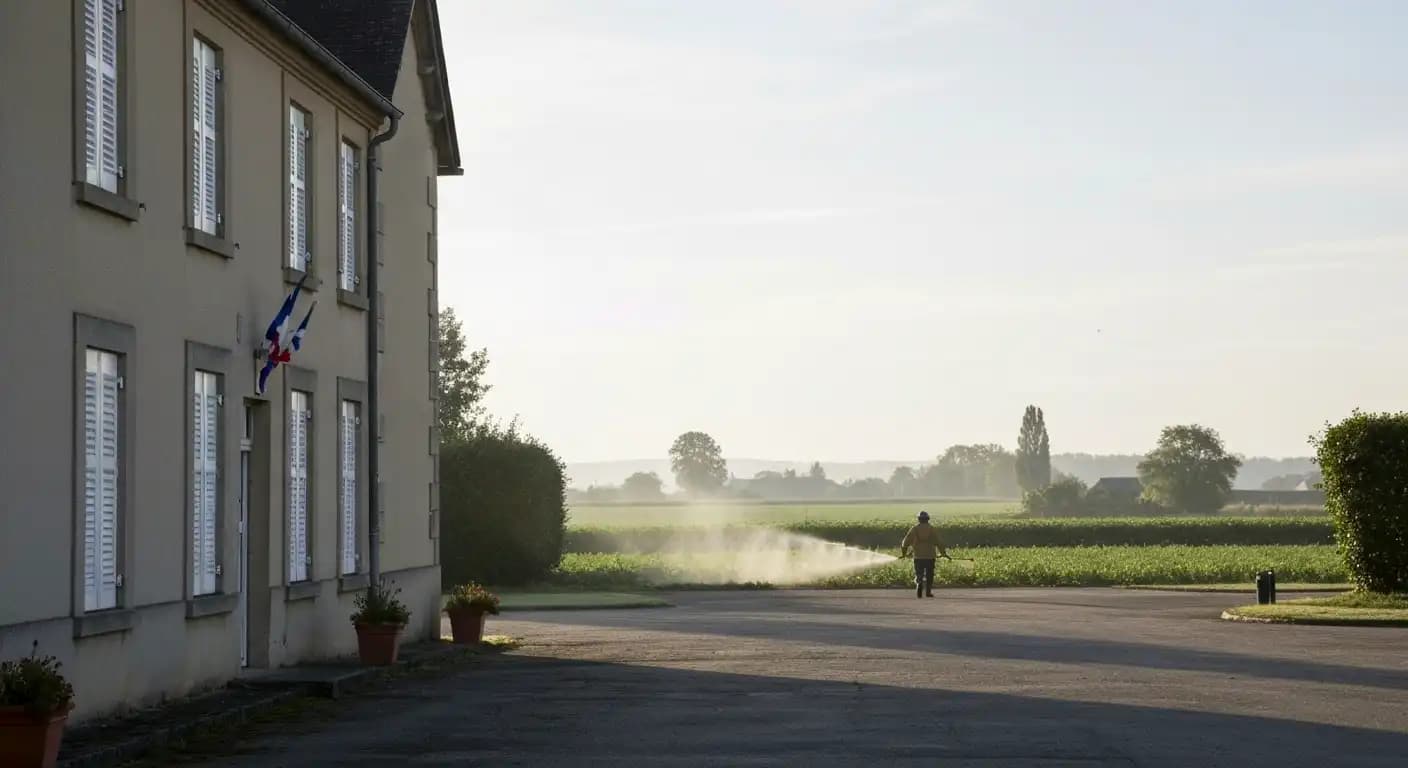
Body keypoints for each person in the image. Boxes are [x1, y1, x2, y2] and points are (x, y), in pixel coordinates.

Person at [900, 510, 948, 598]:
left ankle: (919, 584)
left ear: (919, 519)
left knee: (919, 573)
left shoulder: (914, 529)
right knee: (930, 574)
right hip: (930, 556)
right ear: (928, 519)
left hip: (918, 556)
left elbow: (904, 543)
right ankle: (928, 592)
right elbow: (939, 543)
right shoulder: (932, 529)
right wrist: (943, 553)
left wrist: (904, 554)